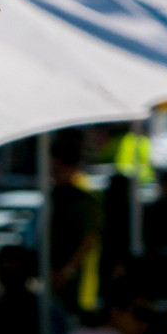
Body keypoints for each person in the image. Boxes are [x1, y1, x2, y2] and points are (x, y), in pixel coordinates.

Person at [49, 134, 102, 314]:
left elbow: (90, 238)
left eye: (56, 169)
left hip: (79, 281)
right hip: (59, 275)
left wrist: (67, 271)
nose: (53, 175)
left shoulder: (85, 196)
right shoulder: (55, 193)